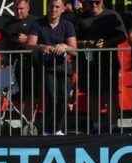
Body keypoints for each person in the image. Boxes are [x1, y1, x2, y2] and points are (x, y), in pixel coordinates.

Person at [76, 0, 126, 133]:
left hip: (109, 61)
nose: (93, 4)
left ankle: (113, 126)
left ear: (102, 1)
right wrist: (87, 43)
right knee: (92, 93)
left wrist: (106, 43)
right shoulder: (82, 18)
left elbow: (122, 36)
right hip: (89, 61)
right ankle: (96, 125)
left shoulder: (112, 15)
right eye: (90, 2)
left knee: (111, 93)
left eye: (97, 2)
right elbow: (73, 40)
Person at [27, 0, 76, 135]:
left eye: (57, 7)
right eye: (51, 6)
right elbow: (29, 45)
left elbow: (74, 50)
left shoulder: (68, 25)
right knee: (51, 97)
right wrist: (42, 47)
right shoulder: (38, 24)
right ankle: (48, 129)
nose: (53, 9)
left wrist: (65, 46)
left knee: (64, 98)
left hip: (64, 67)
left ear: (62, 9)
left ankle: (58, 129)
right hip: (47, 67)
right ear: (47, 7)